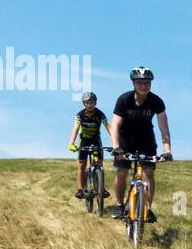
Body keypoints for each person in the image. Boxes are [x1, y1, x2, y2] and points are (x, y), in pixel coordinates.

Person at [109, 66, 173, 220]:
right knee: (122, 172)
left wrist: (167, 150)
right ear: (133, 83)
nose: (144, 86)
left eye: (147, 83)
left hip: (146, 138)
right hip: (125, 139)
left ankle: (148, 209)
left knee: (148, 173)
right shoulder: (124, 100)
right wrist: (116, 147)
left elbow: (164, 129)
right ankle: (119, 204)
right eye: (140, 83)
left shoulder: (156, 101)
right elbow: (115, 125)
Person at [68, 91, 110, 199]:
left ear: (95, 103)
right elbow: (75, 129)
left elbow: (108, 127)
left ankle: (101, 188)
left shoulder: (100, 114)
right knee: (82, 165)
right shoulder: (79, 115)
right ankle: (80, 189)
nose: (89, 105)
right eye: (87, 103)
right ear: (84, 104)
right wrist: (71, 143)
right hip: (84, 140)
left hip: (96, 140)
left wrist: (116, 142)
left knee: (99, 164)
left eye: (91, 102)